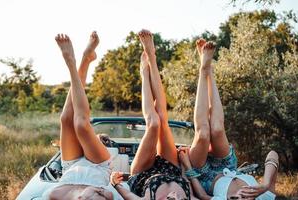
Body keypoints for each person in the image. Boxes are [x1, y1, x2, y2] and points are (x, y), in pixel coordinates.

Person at [110, 30, 210, 200]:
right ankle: (152, 58)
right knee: (162, 119)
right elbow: (200, 193)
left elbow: (126, 193)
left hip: (142, 174)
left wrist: (114, 183)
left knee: (153, 123)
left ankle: (144, 72)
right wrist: (185, 165)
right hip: (172, 168)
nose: (174, 198)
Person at [178, 38, 279, 200]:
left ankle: (204, 70)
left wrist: (188, 167)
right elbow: (273, 154)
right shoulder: (265, 196)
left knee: (203, 133)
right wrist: (266, 184)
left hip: (204, 176)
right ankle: (208, 70)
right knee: (217, 129)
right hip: (228, 165)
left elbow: (203, 196)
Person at [43, 32, 122, 200]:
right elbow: (109, 194)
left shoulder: (54, 195)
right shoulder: (98, 193)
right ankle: (72, 62)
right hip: (97, 166)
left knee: (66, 119)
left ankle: (86, 60)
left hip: (70, 168)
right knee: (81, 125)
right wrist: (94, 193)